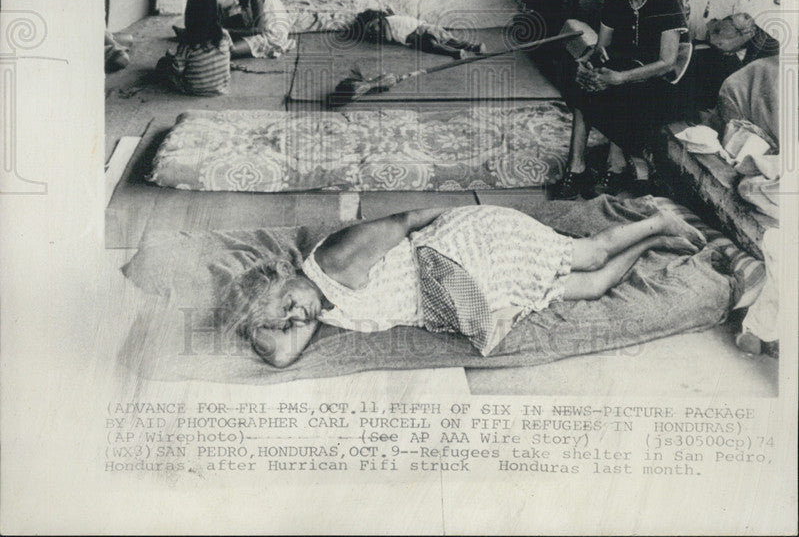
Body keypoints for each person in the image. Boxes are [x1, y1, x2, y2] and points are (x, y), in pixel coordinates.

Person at [222, 202, 705, 367]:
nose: (296, 317)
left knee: (592, 255)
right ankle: (654, 241)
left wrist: (468, 219)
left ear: (286, 274)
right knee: (596, 286)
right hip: (452, 287)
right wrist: (260, 321)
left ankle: (655, 220)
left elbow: (411, 219)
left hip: (466, 249)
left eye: (287, 302)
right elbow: (284, 352)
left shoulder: (336, 259)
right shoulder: (311, 305)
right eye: (284, 320)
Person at [553, 0, 690, 200]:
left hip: (661, 81)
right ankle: (576, 167)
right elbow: (602, 47)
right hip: (626, 68)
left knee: (619, 93)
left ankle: (616, 165)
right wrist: (588, 65)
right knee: (583, 84)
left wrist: (620, 78)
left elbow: (667, 62)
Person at [157, 0, 232, 95]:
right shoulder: (224, 35)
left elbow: (178, 70)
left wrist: (172, 59)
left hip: (194, 88)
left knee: (162, 63)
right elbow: (230, 50)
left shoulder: (188, 42)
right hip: (222, 86)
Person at [350, 7, 485, 59]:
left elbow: (390, 38)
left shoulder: (386, 21)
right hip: (421, 32)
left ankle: (457, 52)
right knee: (447, 40)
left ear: (376, 18)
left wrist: (378, 37)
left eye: (372, 26)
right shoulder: (389, 20)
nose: (373, 30)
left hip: (421, 31)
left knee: (434, 45)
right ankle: (473, 47)